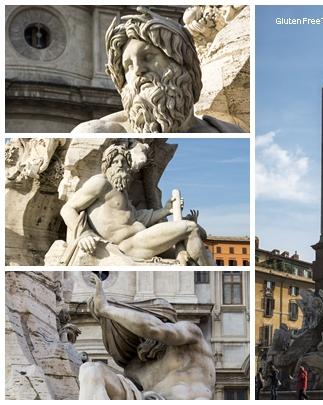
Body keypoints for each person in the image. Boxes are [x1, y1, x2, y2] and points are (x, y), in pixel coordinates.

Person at [72, 7, 243, 134]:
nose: (138, 70)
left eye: (148, 57)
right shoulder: (98, 132)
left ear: (183, 62)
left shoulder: (229, 132)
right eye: (128, 66)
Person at [60, 144, 213, 265]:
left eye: (124, 162)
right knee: (189, 227)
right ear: (107, 166)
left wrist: (166, 210)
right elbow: (67, 208)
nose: (120, 165)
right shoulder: (100, 183)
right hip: (128, 245)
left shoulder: (122, 191)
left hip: (140, 239)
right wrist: (84, 234)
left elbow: (137, 217)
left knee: (200, 253)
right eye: (115, 162)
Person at [79, 276, 215, 399]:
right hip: (149, 398)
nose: (140, 334)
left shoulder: (189, 336)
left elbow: (154, 329)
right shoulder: (134, 366)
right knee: (91, 370)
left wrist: (106, 309)